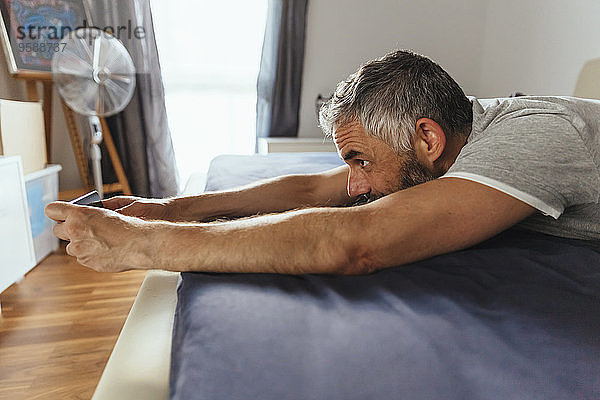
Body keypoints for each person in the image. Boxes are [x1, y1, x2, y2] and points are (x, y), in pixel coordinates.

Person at [45, 50, 600, 275]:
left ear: (425, 137)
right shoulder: (462, 125)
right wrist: (172, 209)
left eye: (359, 160)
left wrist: (144, 243)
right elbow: (317, 192)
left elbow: (352, 242)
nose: (354, 184)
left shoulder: (534, 140)